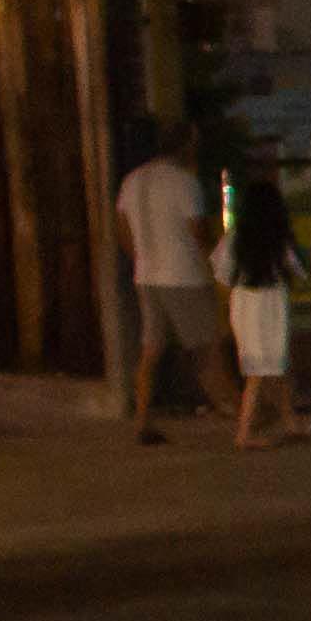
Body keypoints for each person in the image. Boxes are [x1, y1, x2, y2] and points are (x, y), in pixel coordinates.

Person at [118, 121, 227, 445]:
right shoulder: (184, 182)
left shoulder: (134, 180)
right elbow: (198, 232)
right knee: (207, 348)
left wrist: (138, 256)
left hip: (147, 275)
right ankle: (238, 409)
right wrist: (218, 267)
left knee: (151, 350)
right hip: (183, 275)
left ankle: (142, 418)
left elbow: (121, 223)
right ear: (187, 146)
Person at [218, 165, 311, 450]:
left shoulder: (236, 237)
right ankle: (244, 432)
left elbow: (222, 273)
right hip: (271, 303)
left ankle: (290, 421)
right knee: (268, 367)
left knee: (263, 367)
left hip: (244, 302)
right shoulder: (277, 238)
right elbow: (297, 269)